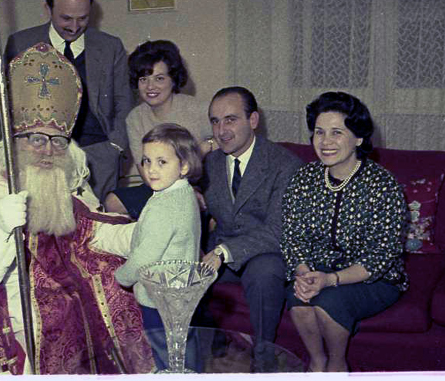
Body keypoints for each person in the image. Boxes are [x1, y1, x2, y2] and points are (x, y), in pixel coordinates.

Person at [0, 44, 152, 375]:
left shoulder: (69, 187)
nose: (48, 150)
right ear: (14, 143)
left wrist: (142, 233)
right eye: (36, 139)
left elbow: (97, 236)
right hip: (17, 325)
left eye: (58, 140)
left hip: (77, 316)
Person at [280, 91, 408, 372]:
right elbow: (292, 236)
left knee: (329, 301)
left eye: (337, 132)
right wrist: (304, 274)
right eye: (319, 132)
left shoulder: (382, 185)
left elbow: (382, 255)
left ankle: (338, 364)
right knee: (297, 298)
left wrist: (331, 280)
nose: (325, 142)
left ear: (358, 138)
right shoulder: (304, 178)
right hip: (318, 270)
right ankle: (317, 361)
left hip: (373, 278)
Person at [0, 0, 133, 202]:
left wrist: (115, 148)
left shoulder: (110, 46)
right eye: (66, 18)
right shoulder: (20, 44)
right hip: (39, 156)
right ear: (47, 9)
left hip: (97, 157)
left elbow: (124, 102)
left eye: (83, 18)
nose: (74, 27)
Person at [200, 86, 303, 372]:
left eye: (230, 119)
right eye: (215, 121)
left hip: (265, 251)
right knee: (183, 267)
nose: (221, 130)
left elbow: (278, 231)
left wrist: (223, 251)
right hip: (221, 247)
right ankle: (203, 349)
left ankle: (264, 357)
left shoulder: (285, 164)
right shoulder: (210, 162)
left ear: (253, 120)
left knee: (265, 272)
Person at [113, 123, 203, 371]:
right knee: (184, 351)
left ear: (184, 166)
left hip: (159, 298)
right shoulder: (184, 194)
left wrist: (122, 277)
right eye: (147, 161)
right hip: (181, 294)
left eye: (162, 162)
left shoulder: (164, 206)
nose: (151, 170)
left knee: (166, 354)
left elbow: (145, 257)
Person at [104, 40, 214, 219]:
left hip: (201, 184)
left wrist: (204, 147)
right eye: (143, 79)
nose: (150, 87)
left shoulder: (198, 109)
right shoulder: (135, 118)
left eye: (159, 78)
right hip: (159, 184)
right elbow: (146, 174)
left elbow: (227, 138)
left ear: (173, 79)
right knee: (112, 202)